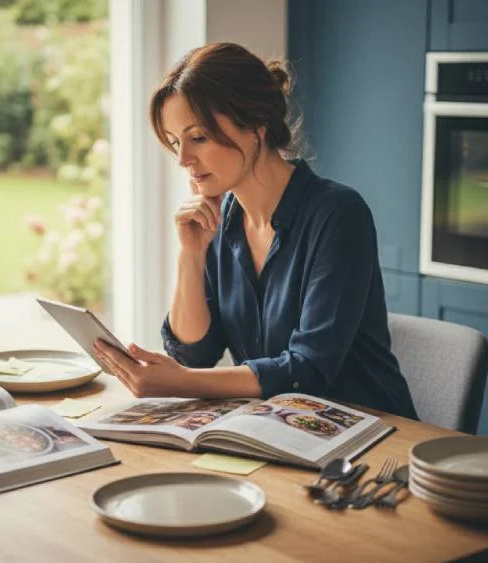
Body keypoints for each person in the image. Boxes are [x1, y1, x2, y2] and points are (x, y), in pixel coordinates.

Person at [93, 42, 418, 419]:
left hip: (367, 434)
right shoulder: (222, 218)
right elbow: (194, 352)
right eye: (176, 142)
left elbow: (308, 370)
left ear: (256, 126)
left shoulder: (339, 214)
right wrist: (191, 254)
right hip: (278, 426)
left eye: (198, 137)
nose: (183, 159)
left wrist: (181, 382)